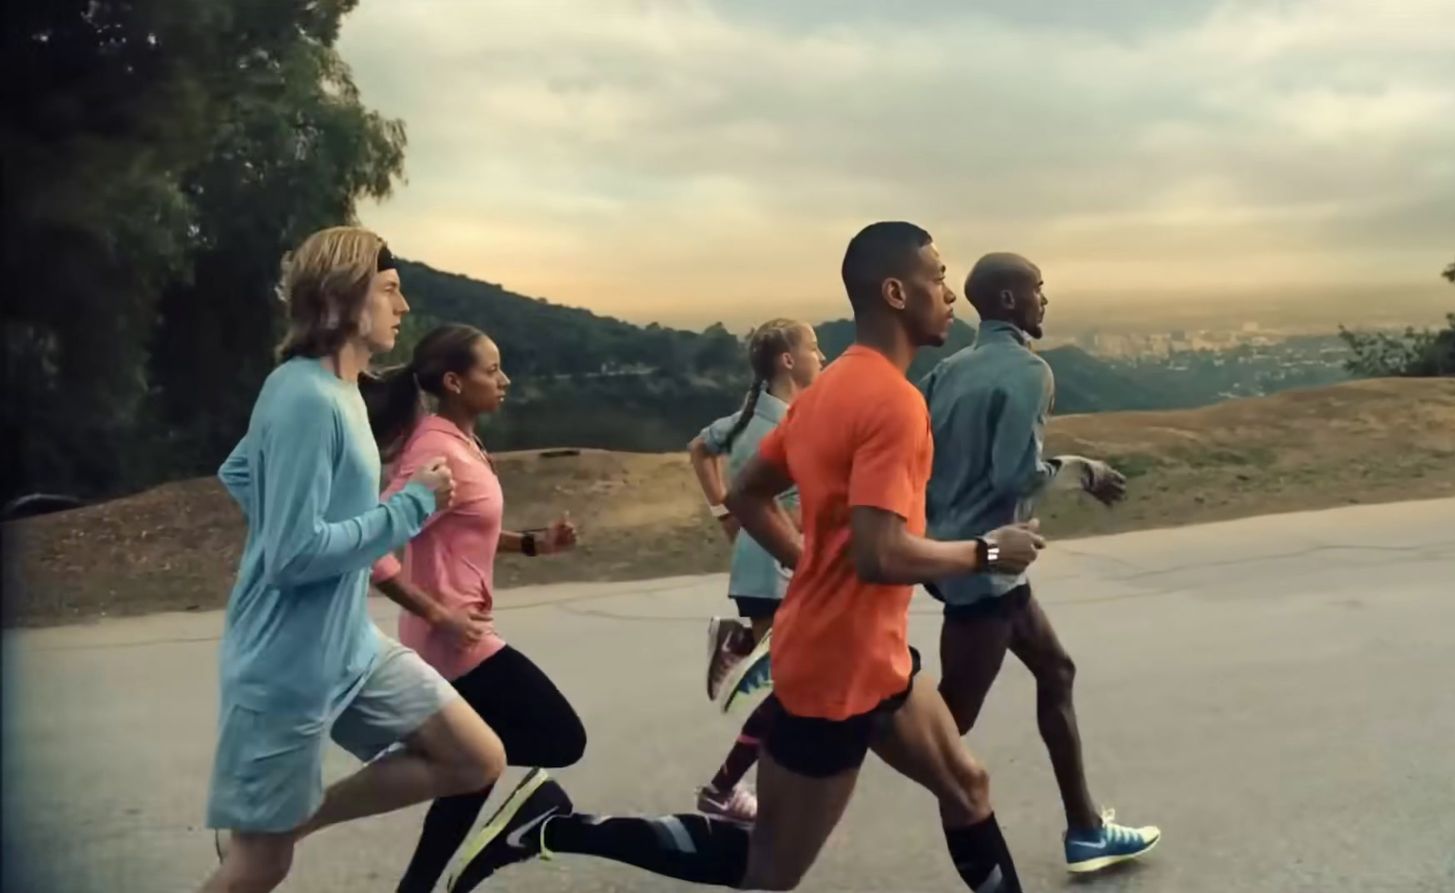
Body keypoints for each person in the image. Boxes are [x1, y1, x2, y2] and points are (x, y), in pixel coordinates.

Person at [443, 221, 1047, 893]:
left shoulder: (831, 389)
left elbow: (747, 491)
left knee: (968, 783)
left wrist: (808, 556)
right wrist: (989, 550)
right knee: (768, 867)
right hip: (835, 669)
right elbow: (880, 554)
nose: (950, 293)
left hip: (873, 653)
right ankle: (554, 823)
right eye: (937, 277)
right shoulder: (893, 403)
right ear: (897, 291)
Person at [200, 228, 506, 893]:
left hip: (348, 645)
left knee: (475, 755)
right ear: (344, 299)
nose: (402, 305)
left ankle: (293, 817)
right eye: (390, 290)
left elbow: (239, 470)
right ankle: (275, 827)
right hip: (286, 662)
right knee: (260, 863)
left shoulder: (338, 390)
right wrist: (410, 507)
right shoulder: (305, 395)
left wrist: (294, 516)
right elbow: (292, 555)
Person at [919, 251, 1159, 874]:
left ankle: (1084, 830)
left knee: (1056, 671)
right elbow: (1014, 472)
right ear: (1007, 301)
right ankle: (809, 748)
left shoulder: (947, 370)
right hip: (985, 567)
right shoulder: (1029, 371)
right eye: (1037, 291)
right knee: (941, 724)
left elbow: (921, 457)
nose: (1043, 301)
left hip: (963, 559)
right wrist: (1082, 470)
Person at [358, 322, 585, 892]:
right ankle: (514, 811)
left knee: (474, 775)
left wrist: (533, 543)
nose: (504, 380)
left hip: (457, 638)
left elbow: (463, 526)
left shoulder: (459, 440)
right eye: (492, 370)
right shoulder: (434, 451)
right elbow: (372, 552)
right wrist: (441, 615)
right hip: (455, 644)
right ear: (455, 382)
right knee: (561, 739)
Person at [688, 318, 825, 821]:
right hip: (773, 568)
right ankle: (725, 788)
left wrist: (725, 510)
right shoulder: (783, 425)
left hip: (766, 565)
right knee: (793, 685)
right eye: (814, 347)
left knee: (797, 678)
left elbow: (700, 448)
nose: (822, 356)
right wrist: (731, 510)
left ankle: (739, 644)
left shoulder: (753, 416)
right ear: (787, 361)